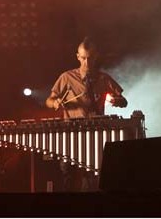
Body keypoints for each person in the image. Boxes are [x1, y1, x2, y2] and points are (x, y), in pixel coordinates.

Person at [45, 37, 128, 191]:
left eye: (90, 59)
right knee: (67, 174)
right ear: (78, 57)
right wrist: (55, 103)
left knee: (92, 176)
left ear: (96, 57)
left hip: (95, 133)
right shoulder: (67, 78)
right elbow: (49, 100)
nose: (87, 63)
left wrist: (118, 101)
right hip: (70, 132)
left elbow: (124, 101)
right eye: (83, 58)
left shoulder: (104, 78)